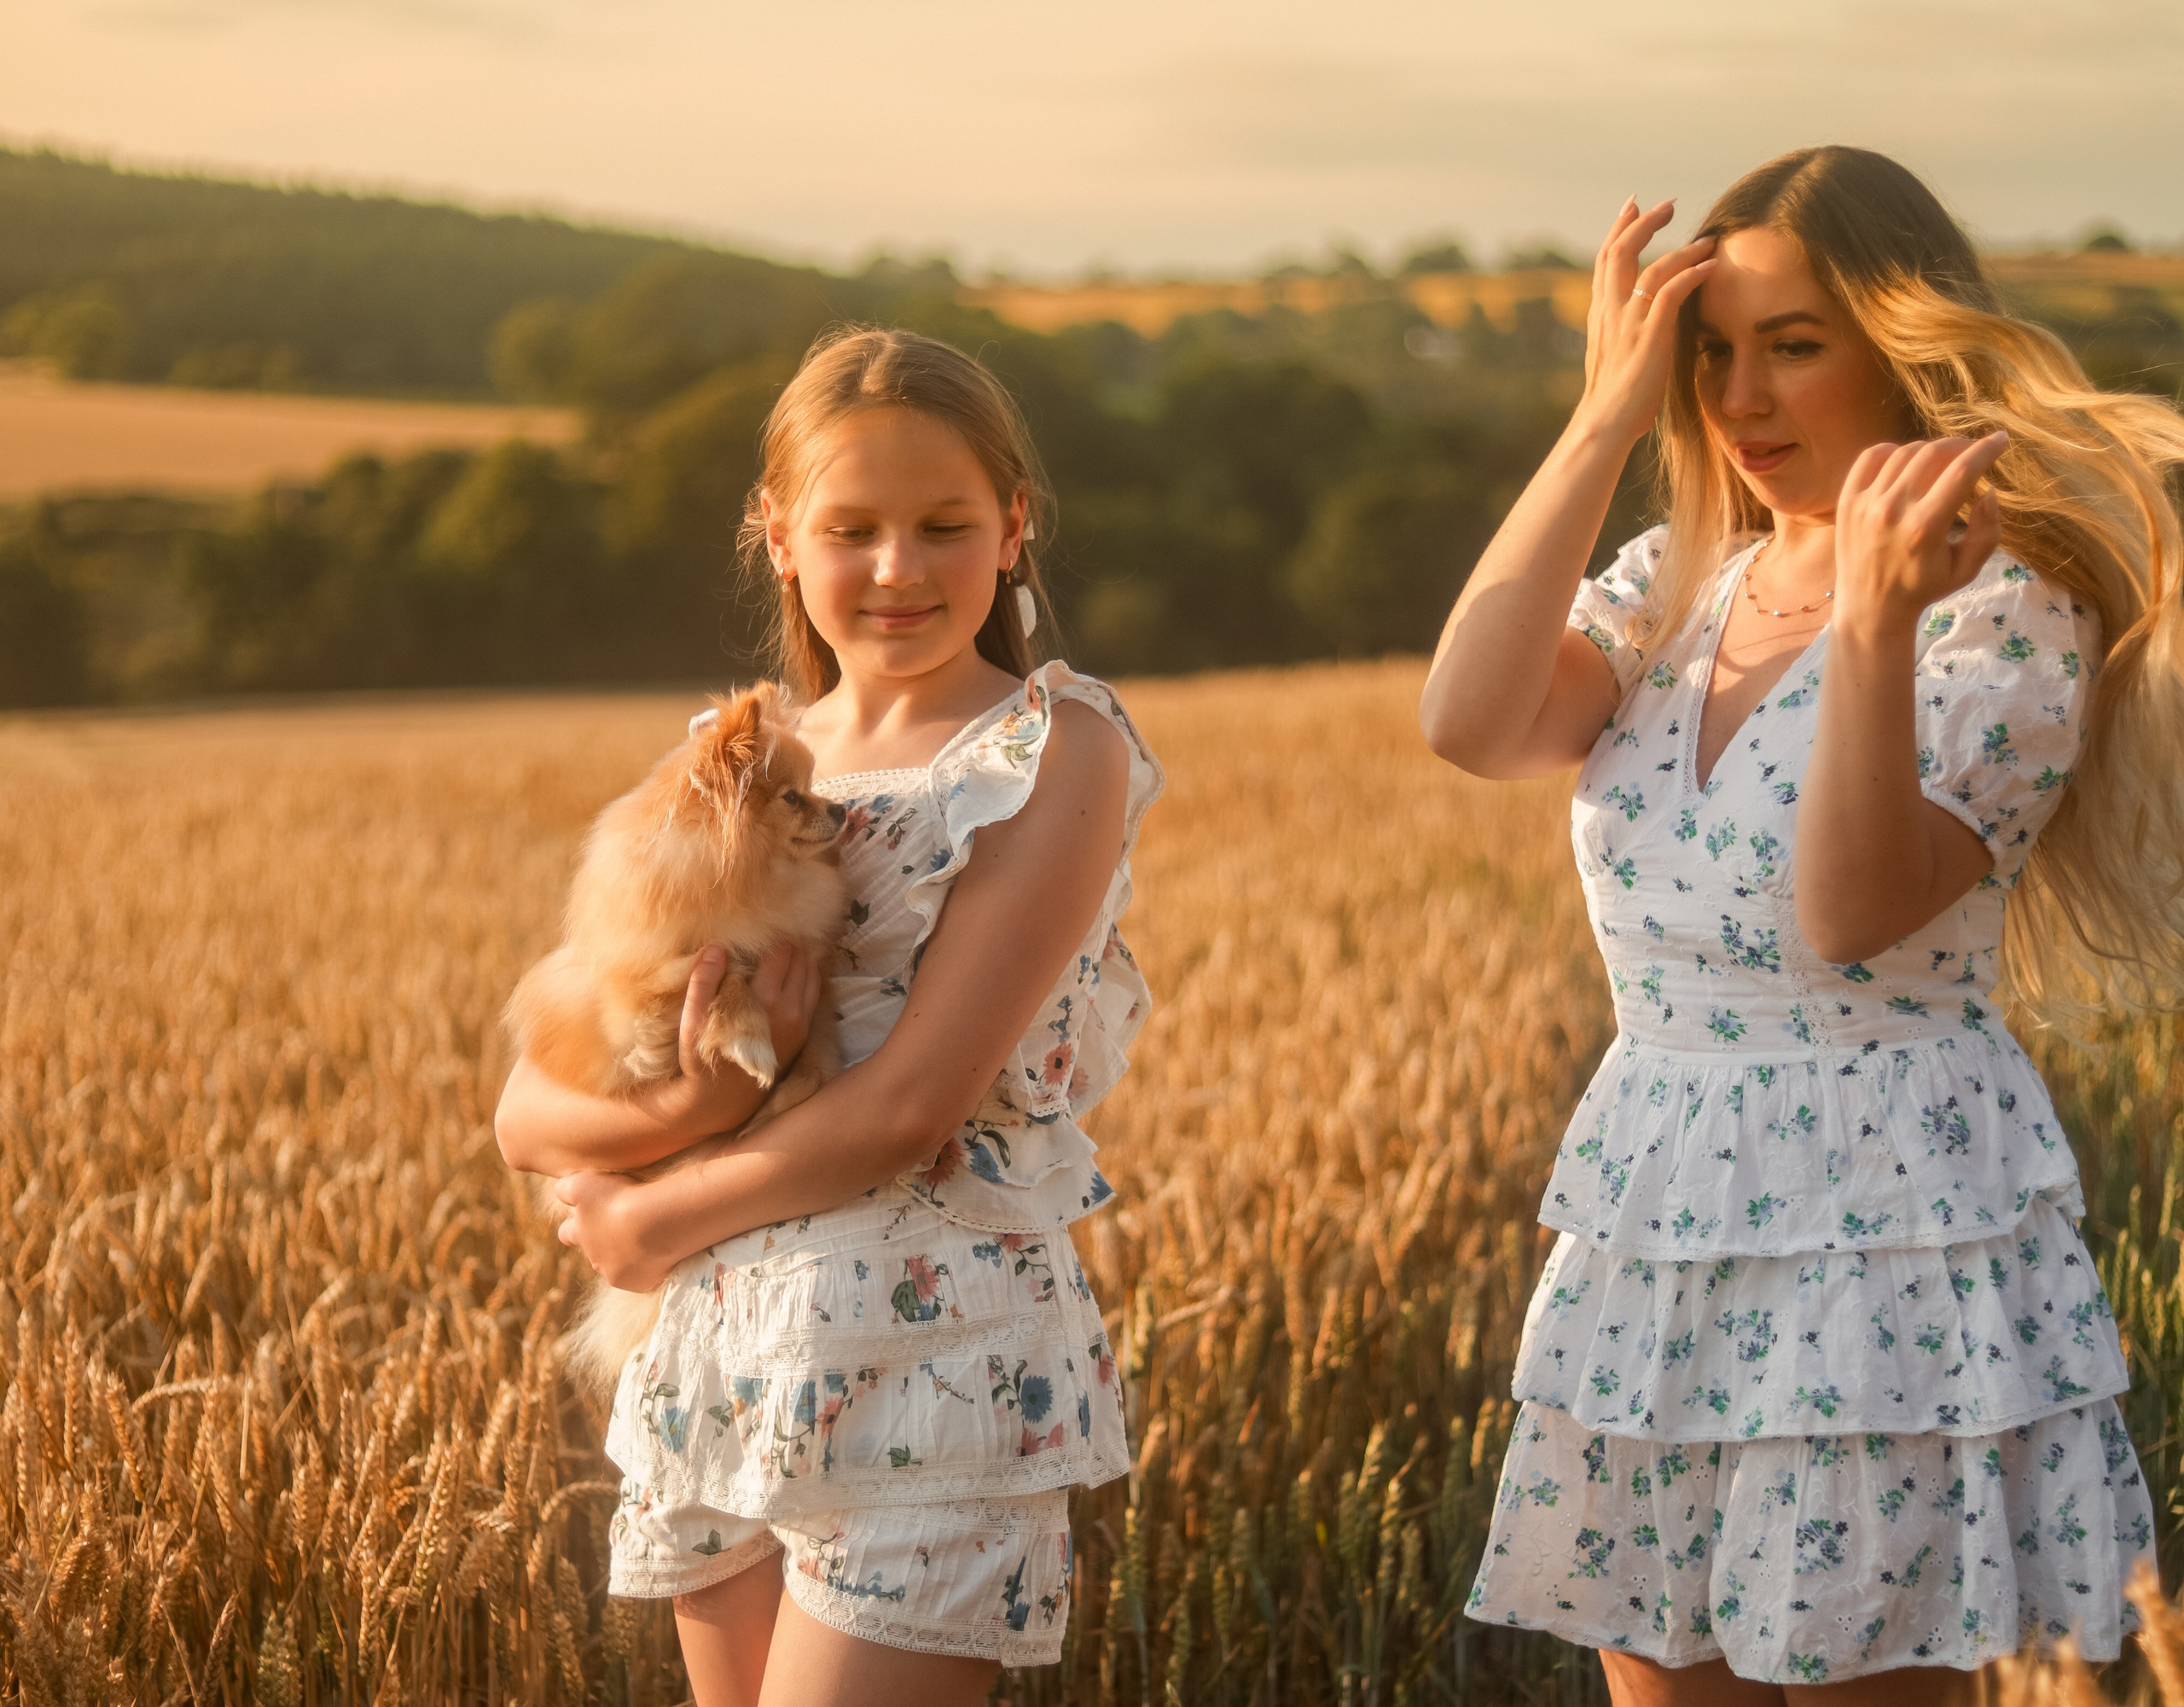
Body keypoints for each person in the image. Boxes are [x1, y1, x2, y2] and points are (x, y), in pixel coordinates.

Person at [1420, 146, 2184, 1703]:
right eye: (1708, 353)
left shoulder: (2007, 607)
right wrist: (1603, 413)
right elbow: (1470, 719)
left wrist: (1874, 625)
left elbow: (1849, 912)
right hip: (1661, 1206)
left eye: (1792, 344)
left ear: (1896, 347)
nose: (1741, 399)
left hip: (1885, 1221)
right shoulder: (1677, 580)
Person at [494, 326, 1163, 1707]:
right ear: (780, 535)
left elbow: (911, 1105)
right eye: (852, 528)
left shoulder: (1051, 750)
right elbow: (529, 1104)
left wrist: (649, 1216)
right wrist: (695, 1105)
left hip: (931, 1363)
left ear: (1015, 527)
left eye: (944, 525)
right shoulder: (734, 772)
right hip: (720, 1354)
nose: (899, 567)